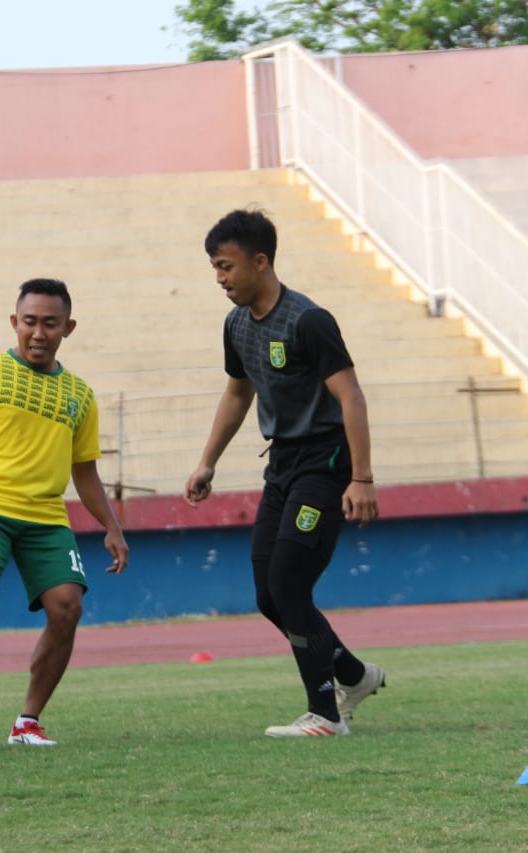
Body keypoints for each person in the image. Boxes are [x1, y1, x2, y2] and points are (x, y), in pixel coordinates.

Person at [184, 209, 385, 737]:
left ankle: (325, 715)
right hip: (282, 465)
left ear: (261, 261)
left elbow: (351, 396)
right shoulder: (235, 325)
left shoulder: (308, 320)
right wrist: (208, 461)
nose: (220, 278)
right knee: (269, 595)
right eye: (214, 268)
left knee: (290, 585)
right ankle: (353, 675)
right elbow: (237, 394)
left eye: (226, 266)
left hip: (326, 462)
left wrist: (361, 478)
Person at [0, 277, 130, 746]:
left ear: (67, 328)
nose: (38, 332)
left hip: (46, 516)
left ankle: (27, 722)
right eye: (29, 322)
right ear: (15, 322)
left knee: (68, 606)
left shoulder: (80, 395)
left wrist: (112, 528)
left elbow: (85, 471)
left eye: (50, 324)